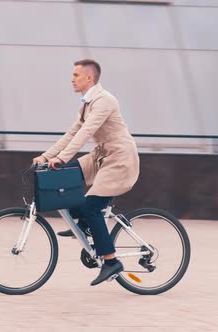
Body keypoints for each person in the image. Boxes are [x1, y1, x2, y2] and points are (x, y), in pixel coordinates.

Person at [32, 59, 140, 286]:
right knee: (64, 177)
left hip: (118, 158)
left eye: (76, 75)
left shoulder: (104, 101)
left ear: (89, 78)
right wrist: (46, 156)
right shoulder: (86, 103)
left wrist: (61, 158)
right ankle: (83, 226)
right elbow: (71, 134)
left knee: (92, 208)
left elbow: (85, 133)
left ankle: (111, 262)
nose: (72, 79)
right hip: (101, 155)